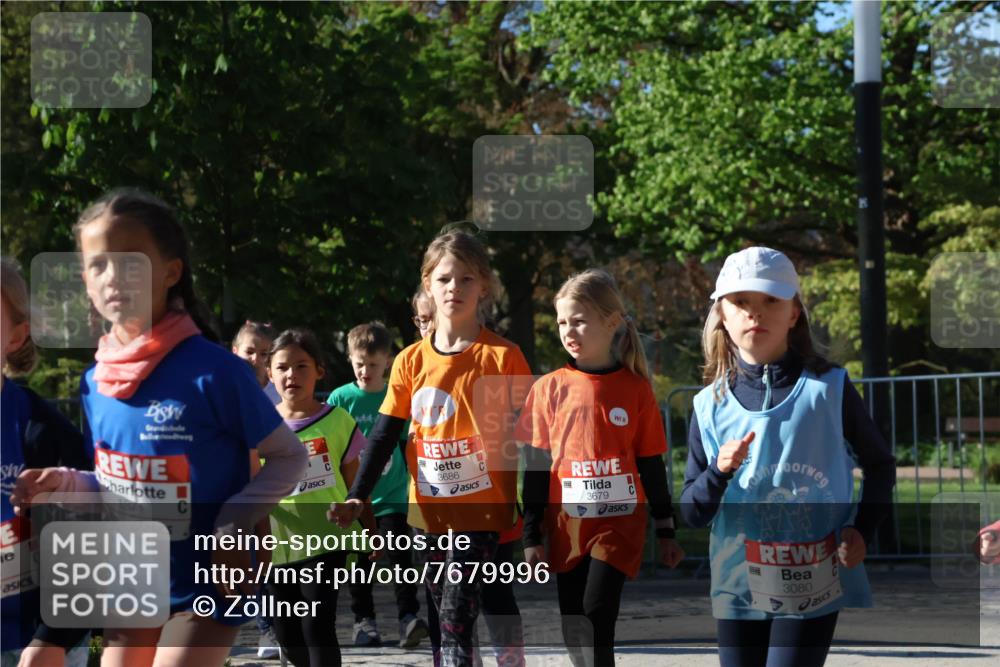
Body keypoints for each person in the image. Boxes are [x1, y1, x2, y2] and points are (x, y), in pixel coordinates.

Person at [11, 189, 307, 667]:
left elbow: (290, 455)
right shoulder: (96, 382)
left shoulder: (215, 371)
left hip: (209, 583)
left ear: (171, 272)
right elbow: (117, 485)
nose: (112, 278)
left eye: (130, 262)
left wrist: (234, 520)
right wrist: (66, 482)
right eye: (98, 265)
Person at [680, 247, 896, 667]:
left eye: (770, 301)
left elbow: (880, 464)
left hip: (810, 575)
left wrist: (862, 529)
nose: (753, 314)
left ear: (794, 313)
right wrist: (719, 471)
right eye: (740, 302)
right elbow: (691, 511)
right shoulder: (708, 404)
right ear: (722, 315)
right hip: (736, 582)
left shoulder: (828, 387)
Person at [330, 231, 533, 667]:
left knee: (458, 609)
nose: (454, 289)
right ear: (427, 283)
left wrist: (535, 517)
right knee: (445, 613)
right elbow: (383, 436)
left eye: (466, 279)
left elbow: (528, 442)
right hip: (427, 511)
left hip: (482, 511)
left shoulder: (504, 357)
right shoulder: (409, 362)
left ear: (483, 286)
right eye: (444, 279)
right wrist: (357, 494)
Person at [517, 269, 685, 667]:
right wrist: (530, 534)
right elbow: (537, 467)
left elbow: (651, 463)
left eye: (578, 320)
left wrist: (665, 530)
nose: (568, 330)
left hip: (619, 524)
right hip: (567, 526)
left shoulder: (636, 388)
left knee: (596, 614)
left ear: (611, 322)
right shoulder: (548, 388)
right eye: (561, 321)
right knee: (575, 626)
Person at [409, 288, 526, 667]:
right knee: (443, 600)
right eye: (423, 321)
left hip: (488, 513)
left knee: (492, 594)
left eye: (436, 319)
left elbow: (523, 434)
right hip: (434, 514)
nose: (431, 327)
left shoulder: (491, 361)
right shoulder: (413, 368)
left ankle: (510, 660)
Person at [0, 258, 92, 667]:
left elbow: (89, 548)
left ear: (17, 336)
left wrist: (52, 640)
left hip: (29, 642)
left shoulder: (44, 431)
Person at [265, 327, 375, 667]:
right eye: (282, 367)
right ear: (270, 374)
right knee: (286, 632)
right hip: (275, 543)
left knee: (317, 623)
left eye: (301, 366)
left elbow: (356, 484)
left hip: (326, 539)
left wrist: (370, 532)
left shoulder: (338, 421)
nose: (291, 375)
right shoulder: (261, 426)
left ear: (319, 372)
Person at [327, 322, 429, 649]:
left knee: (401, 558)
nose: (365, 370)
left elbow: (403, 444)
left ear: (388, 361)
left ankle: (408, 619)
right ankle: (363, 622)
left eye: (372, 364)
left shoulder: (395, 394)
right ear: (350, 360)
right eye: (359, 363)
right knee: (360, 564)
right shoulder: (340, 398)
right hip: (356, 497)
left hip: (394, 495)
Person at [232, 319, 280, 406]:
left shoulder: (278, 394)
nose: (255, 359)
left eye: (263, 354)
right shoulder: (225, 388)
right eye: (249, 352)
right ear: (235, 352)